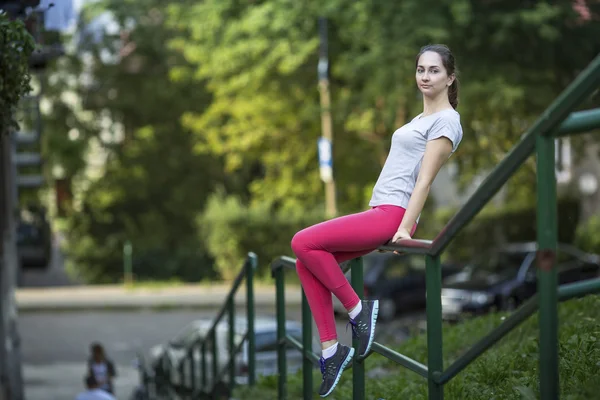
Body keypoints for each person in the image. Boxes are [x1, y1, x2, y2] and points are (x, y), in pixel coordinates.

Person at [290, 44, 463, 398]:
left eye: (434, 70)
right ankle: (330, 351)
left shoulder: (447, 121)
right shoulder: (420, 120)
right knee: (304, 265)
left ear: (450, 78)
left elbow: (425, 180)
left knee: (302, 241)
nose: (425, 76)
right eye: (420, 69)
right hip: (380, 211)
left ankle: (358, 311)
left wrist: (404, 228)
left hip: (393, 215)